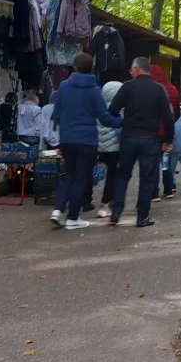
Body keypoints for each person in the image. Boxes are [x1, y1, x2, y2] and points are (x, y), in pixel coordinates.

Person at [50, 54, 122, 230]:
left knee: (69, 175)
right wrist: (122, 122)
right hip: (87, 141)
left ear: (74, 67)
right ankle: (73, 217)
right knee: (81, 178)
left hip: (66, 139)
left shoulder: (64, 86)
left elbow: (56, 114)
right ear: (91, 69)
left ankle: (58, 210)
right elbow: (104, 118)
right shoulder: (94, 89)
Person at [108, 57, 175, 227]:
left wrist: (123, 121)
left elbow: (112, 110)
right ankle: (142, 216)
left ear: (137, 69)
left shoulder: (127, 87)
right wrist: (168, 140)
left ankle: (116, 211)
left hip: (128, 137)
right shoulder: (158, 89)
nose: (131, 73)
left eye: (132, 70)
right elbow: (168, 117)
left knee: (123, 174)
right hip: (150, 138)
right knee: (147, 178)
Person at [93, 81, 123, 218]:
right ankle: (106, 204)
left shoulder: (99, 107)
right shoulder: (120, 109)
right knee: (113, 175)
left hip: (100, 146)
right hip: (115, 147)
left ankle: (86, 200)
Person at [150, 65, 179, 199]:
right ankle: (168, 189)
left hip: (154, 131)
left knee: (154, 163)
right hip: (167, 131)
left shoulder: (152, 88)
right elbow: (177, 112)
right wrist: (171, 123)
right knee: (166, 161)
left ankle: (154, 192)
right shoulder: (173, 89)